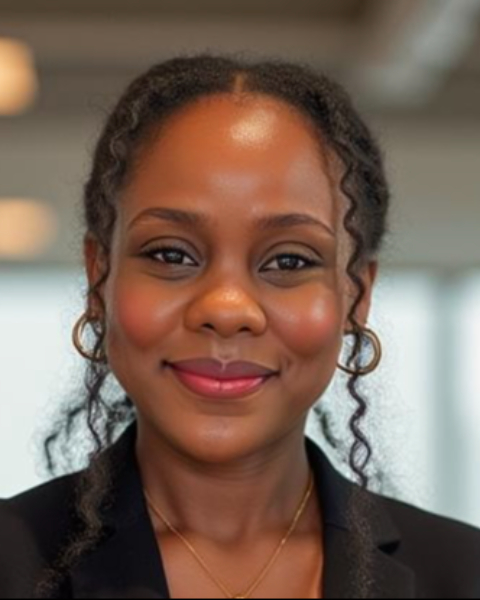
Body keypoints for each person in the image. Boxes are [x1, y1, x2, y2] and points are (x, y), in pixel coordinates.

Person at [1, 53, 479, 600]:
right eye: (171, 254)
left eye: (289, 261)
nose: (227, 309)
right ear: (98, 278)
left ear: (357, 296)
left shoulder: (465, 574)